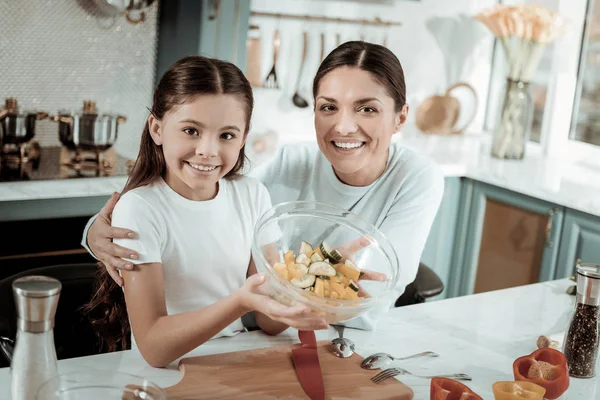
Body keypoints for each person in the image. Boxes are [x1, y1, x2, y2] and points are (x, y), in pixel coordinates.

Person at [83, 41, 444, 330]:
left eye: (367, 109)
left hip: (349, 335)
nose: (344, 126)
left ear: (400, 117)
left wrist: (302, 283)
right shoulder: (293, 162)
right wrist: (95, 235)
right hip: (269, 335)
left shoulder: (417, 176)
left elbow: (379, 281)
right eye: (328, 107)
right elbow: (208, 203)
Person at [82, 55, 328, 369]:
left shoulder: (252, 194)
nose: (208, 151)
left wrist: (315, 283)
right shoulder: (140, 207)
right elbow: (154, 347)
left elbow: (270, 320)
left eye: (226, 135)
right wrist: (239, 302)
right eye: (191, 131)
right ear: (157, 128)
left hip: (235, 363)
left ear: (243, 139)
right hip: (168, 375)